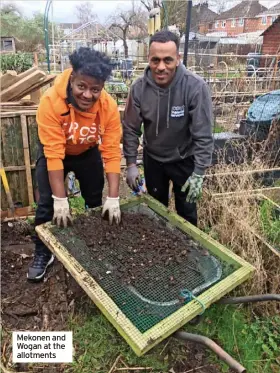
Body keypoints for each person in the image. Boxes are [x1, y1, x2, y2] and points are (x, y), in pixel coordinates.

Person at [28, 47, 122, 282]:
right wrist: (61, 200)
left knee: (94, 201)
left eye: (95, 89)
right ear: (72, 79)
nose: (87, 95)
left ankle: (94, 246)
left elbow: (111, 151)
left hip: (87, 153)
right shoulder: (50, 102)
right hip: (56, 153)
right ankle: (43, 251)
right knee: (46, 205)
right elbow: (53, 154)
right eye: (82, 86)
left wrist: (114, 197)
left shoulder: (108, 107)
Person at [123, 31, 213, 226]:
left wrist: (199, 171)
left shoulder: (195, 87)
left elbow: (203, 135)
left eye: (168, 60)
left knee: (187, 213)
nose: (161, 67)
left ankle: (189, 251)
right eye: (155, 60)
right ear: (149, 59)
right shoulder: (139, 88)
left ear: (178, 59)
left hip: (184, 160)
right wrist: (131, 164)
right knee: (156, 210)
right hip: (154, 159)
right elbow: (130, 128)